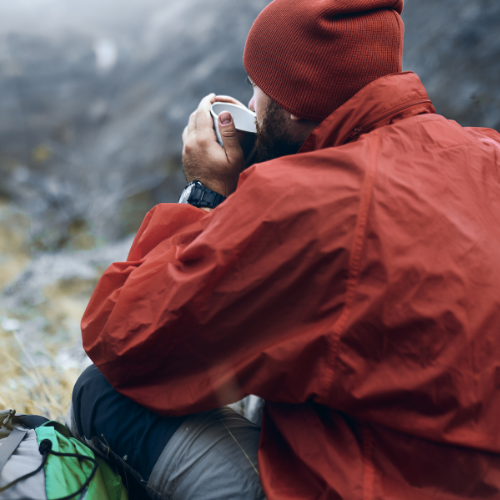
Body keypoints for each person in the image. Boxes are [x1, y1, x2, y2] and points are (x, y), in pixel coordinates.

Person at [69, 0, 500, 498]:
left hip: (380, 484)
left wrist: (208, 195)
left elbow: (123, 336)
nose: (252, 108)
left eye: (260, 89)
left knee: (103, 392)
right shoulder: (487, 153)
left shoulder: (306, 201)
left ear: (295, 100)